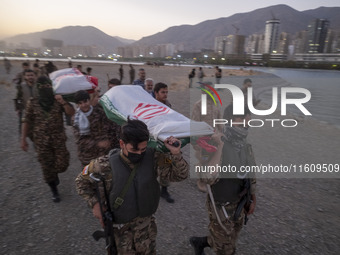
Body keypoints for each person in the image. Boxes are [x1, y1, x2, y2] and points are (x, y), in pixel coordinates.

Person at [75, 118, 189, 254]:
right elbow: (81, 182)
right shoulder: (104, 165)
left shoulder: (153, 158)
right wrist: (94, 204)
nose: (139, 153)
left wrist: (175, 154)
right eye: (134, 149)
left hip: (146, 231)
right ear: (122, 143)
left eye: (143, 149)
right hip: (120, 235)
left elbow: (180, 175)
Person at [190, 106, 256, 255]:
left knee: (231, 237)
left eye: (249, 122)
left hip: (240, 202)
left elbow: (251, 172)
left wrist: (252, 197)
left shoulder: (245, 145)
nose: (247, 126)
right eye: (244, 121)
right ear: (233, 120)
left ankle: (199, 242)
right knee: (226, 249)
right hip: (221, 205)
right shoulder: (213, 143)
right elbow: (207, 177)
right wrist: (220, 147)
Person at [21, 76, 75, 203]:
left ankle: (54, 175)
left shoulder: (57, 100)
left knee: (63, 164)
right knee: (46, 167)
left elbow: (71, 112)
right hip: (41, 142)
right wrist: (23, 139)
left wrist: (63, 102)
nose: (46, 89)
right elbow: (26, 120)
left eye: (48, 86)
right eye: (42, 87)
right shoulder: (33, 102)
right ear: (38, 88)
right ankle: (54, 189)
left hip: (58, 139)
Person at [73, 90, 120, 166]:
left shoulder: (99, 111)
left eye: (85, 101)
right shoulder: (76, 119)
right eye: (80, 103)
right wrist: (98, 143)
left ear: (89, 100)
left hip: (104, 154)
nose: (84, 105)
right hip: (88, 157)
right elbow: (80, 141)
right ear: (77, 105)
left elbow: (110, 126)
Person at [154, 82, 176, 203]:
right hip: (153, 142)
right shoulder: (150, 105)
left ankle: (164, 190)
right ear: (156, 93)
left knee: (166, 165)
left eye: (166, 92)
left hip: (165, 141)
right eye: (163, 92)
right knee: (151, 167)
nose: (165, 94)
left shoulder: (168, 105)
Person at [14, 69, 39, 137]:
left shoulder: (39, 86)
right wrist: (18, 109)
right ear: (24, 77)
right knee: (24, 125)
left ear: (35, 76)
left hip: (38, 111)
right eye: (28, 75)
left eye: (31, 75)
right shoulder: (21, 86)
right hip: (26, 110)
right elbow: (17, 98)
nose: (30, 77)